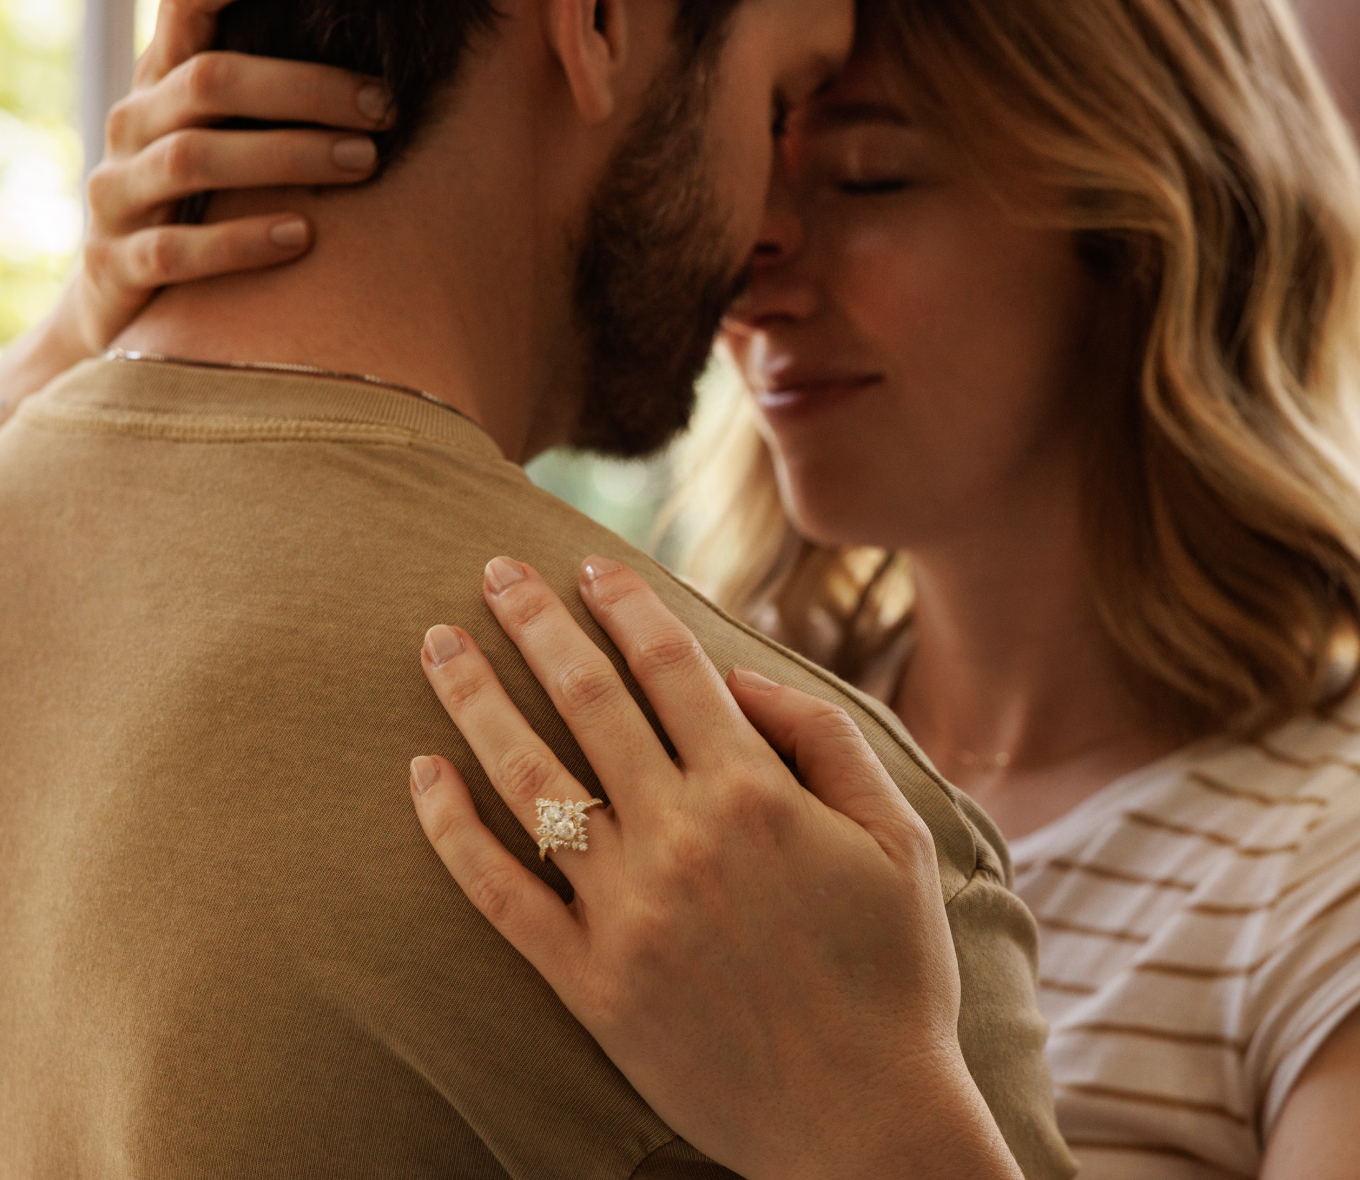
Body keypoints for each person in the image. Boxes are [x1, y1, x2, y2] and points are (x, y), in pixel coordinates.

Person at [27, 0, 1360, 1176]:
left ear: (1143, 234)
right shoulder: (688, 713)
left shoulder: (1321, 873)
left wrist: (879, 1119)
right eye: (765, 133)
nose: (754, 254)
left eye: (870, 177)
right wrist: (114, 325)